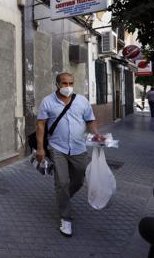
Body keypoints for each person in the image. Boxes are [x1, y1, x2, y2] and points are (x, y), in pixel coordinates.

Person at [35, 72, 105, 237]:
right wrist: (40, 148)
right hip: (57, 147)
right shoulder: (47, 101)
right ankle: (65, 218)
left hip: (79, 148)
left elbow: (90, 120)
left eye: (70, 83)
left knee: (79, 179)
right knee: (62, 183)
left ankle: (63, 197)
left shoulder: (82, 101)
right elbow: (40, 125)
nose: (68, 87)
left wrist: (96, 134)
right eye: (64, 83)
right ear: (57, 85)